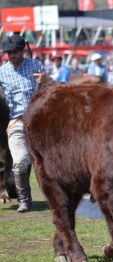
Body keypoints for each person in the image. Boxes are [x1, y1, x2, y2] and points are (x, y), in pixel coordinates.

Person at [0, 34, 50, 212]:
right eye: (8, 53)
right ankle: (24, 200)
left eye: (14, 52)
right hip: (17, 122)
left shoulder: (35, 65)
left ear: (22, 51)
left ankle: (57, 197)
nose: (11, 56)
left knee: (47, 164)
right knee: (20, 161)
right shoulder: (2, 72)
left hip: (39, 121)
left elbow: (50, 88)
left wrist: (46, 81)